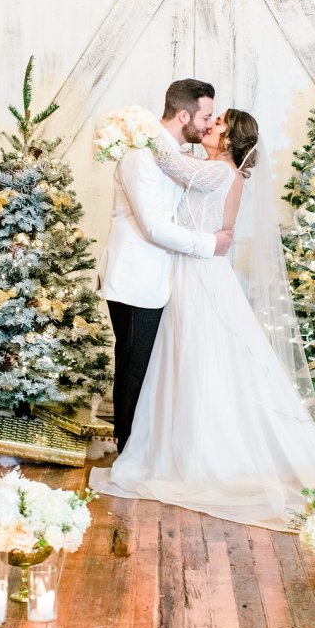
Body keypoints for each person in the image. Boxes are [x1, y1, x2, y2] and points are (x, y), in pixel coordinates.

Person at [91, 109, 315, 530]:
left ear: (232, 139)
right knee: (187, 360)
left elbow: (166, 161)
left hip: (198, 273)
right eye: (210, 119)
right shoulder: (213, 170)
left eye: (217, 123)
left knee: (200, 357)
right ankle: (174, 440)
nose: (208, 126)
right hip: (188, 268)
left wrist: (132, 129)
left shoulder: (221, 172)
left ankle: (201, 450)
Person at [97, 80, 234, 454]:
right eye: (206, 116)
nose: (208, 125)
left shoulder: (170, 157)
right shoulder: (141, 156)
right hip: (137, 278)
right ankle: (128, 454)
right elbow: (154, 226)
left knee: (150, 371)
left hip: (161, 280)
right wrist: (211, 244)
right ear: (184, 114)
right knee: (134, 370)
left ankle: (146, 449)